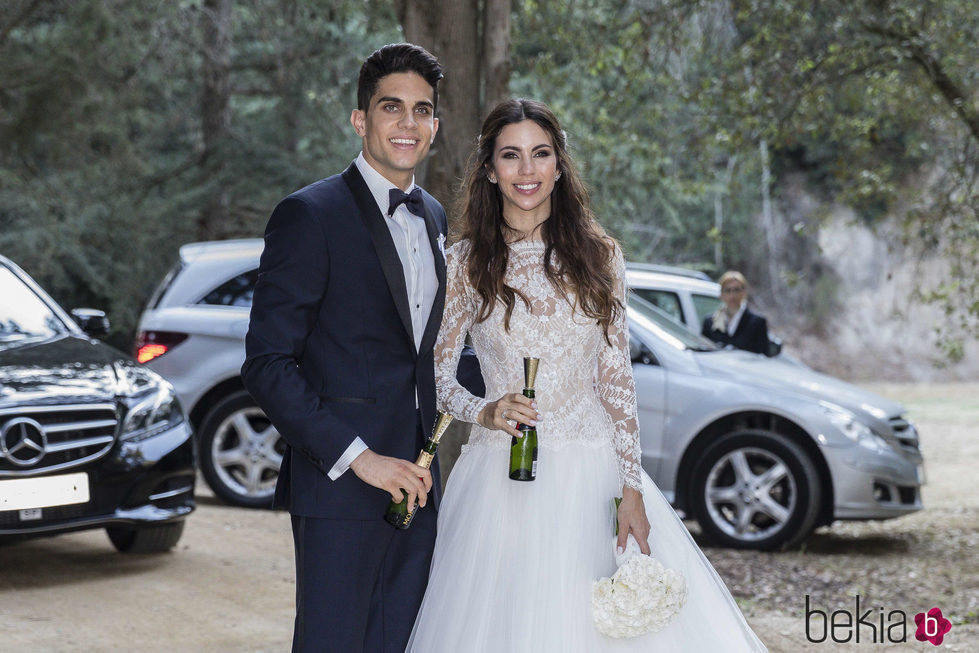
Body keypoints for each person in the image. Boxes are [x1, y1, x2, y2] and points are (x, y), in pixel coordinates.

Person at [407, 99, 767, 652]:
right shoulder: (463, 263)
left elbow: (616, 376)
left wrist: (631, 486)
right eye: (511, 155)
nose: (527, 171)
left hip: (592, 474)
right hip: (499, 485)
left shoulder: (600, 256)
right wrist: (483, 408)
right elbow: (436, 375)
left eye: (540, 154)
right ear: (489, 169)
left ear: (558, 165)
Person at [242, 43, 457, 653]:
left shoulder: (436, 217)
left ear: (436, 124)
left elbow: (428, 355)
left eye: (422, 111)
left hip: (419, 485)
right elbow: (267, 364)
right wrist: (361, 458)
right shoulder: (308, 215)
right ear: (361, 119)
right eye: (392, 108)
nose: (408, 124)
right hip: (340, 489)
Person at [701, 271, 770, 355]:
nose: (732, 295)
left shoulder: (757, 322)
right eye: (728, 290)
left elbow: (763, 355)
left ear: (744, 292)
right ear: (721, 294)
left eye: (737, 290)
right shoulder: (710, 322)